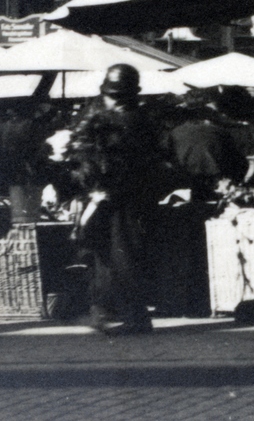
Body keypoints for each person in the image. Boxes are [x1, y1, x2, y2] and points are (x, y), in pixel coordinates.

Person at [67, 65, 164, 334]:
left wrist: (98, 189)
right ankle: (121, 314)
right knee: (119, 256)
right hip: (132, 199)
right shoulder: (141, 120)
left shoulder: (117, 122)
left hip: (119, 199)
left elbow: (113, 164)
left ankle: (128, 317)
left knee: (118, 258)